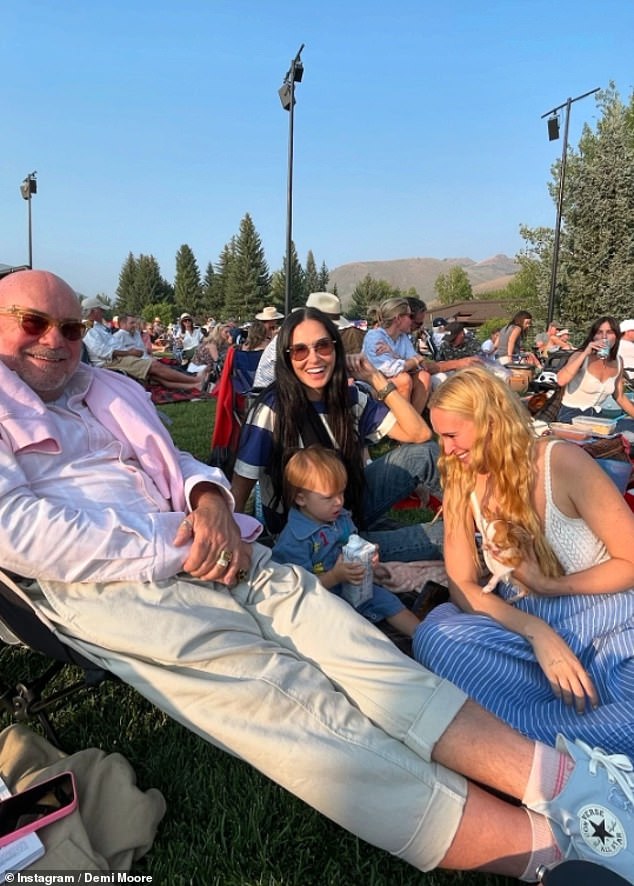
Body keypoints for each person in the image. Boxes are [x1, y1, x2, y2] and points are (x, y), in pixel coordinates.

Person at [1, 271, 634, 883]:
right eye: (33, 323)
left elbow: (196, 463)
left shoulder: (337, 397)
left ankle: (573, 785)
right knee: (286, 694)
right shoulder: (273, 410)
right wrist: (219, 521)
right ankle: (548, 850)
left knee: (358, 647)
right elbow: (18, 527)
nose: (56, 339)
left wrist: (207, 497)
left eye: (71, 326)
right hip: (140, 571)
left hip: (274, 530)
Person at [411, 366, 634, 762]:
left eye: (451, 435)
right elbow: (462, 584)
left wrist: (551, 587)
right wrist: (537, 631)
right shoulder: (461, 476)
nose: (445, 450)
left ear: (491, 422)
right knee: (435, 638)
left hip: (608, 620)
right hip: (524, 626)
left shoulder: (560, 462)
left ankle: (514, 742)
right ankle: (562, 739)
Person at [232, 306, 444, 562]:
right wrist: (233, 543)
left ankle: (485, 513)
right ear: (287, 358)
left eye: (323, 346)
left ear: (336, 349)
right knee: (447, 537)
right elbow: (240, 490)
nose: (314, 359)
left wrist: (376, 377)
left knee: (425, 454)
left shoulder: (351, 398)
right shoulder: (272, 409)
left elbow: (419, 434)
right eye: (300, 350)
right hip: (312, 540)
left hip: (346, 505)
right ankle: (480, 536)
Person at [272, 446, 421, 638]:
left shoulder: (339, 518)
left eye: (341, 493)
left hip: (354, 586)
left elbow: (351, 541)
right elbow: (297, 588)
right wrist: (334, 577)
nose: (339, 502)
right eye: (329, 497)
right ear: (301, 499)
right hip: (323, 601)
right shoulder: (294, 539)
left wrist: (367, 555)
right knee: (350, 630)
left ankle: (427, 638)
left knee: (389, 602)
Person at [82, 298, 209, 392]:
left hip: (119, 358)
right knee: (154, 366)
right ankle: (196, 380)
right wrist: (129, 353)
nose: (103, 312)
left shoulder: (98, 327)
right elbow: (102, 352)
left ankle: (194, 385)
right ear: (93, 311)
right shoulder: (89, 329)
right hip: (111, 362)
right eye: (101, 310)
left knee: (155, 373)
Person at [555, 316, 634, 432]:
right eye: (599, 332)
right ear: (593, 336)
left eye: (609, 332)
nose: (604, 336)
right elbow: (561, 380)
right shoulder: (581, 356)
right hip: (571, 417)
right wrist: (585, 353)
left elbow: (620, 397)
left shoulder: (618, 361)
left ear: (616, 336)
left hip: (597, 418)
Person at [361, 297, 432, 413]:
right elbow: (389, 369)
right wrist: (414, 361)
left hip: (389, 381)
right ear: (398, 319)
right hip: (372, 385)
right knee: (403, 379)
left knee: (424, 376)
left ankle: (413, 422)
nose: (412, 321)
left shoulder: (402, 338)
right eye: (410, 316)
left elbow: (421, 365)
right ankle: (402, 423)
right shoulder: (374, 337)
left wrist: (394, 354)